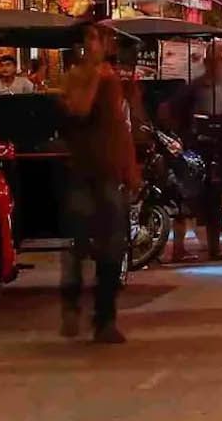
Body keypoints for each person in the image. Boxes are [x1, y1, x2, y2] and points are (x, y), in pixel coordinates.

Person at [59, 20, 138, 343]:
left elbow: (121, 127)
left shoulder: (113, 78)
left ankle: (105, 319)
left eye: (100, 39)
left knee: (113, 248)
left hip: (109, 172)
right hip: (82, 171)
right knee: (77, 244)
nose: (97, 44)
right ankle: (71, 303)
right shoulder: (75, 77)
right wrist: (95, 74)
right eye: (92, 39)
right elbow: (79, 109)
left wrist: (130, 170)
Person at [170, 51, 222, 260]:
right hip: (196, 148)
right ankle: (179, 248)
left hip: (217, 148)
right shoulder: (195, 86)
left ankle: (214, 247)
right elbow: (178, 111)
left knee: (215, 198)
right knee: (186, 197)